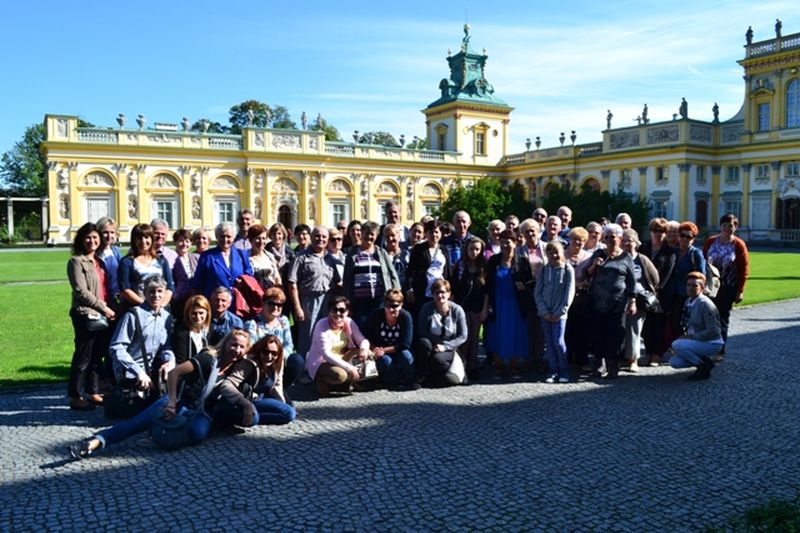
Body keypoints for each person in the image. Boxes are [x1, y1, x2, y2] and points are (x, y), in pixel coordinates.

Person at [68, 330, 244, 459]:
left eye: (241, 347)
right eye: (234, 344)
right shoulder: (209, 358)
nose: (236, 349)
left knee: (198, 434)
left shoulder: (237, 370)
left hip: (199, 411)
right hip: (179, 400)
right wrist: (172, 402)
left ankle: (159, 426)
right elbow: (175, 373)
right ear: (226, 342)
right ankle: (92, 444)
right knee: (134, 425)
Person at [67, 222, 117, 410]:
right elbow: (81, 291)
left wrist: (110, 309)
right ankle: (76, 395)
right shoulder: (76, 262)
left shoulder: (99, 261)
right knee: (83, 356)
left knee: (97, 356)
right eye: (88, 237)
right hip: (86, 314)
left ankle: (93, 391)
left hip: (103, 314)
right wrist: (104, 307)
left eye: (95, 237)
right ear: (81, 239)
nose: (92, 241)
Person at [110, 275, 176, 404]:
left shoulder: (166, 317)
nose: (156, 295)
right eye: (151, 291)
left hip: (152, 371)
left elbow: (165, 346)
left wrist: (170, 361)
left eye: (159, 291)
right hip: (130, 372)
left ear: (164, 293)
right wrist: (138, 372)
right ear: (144, 293)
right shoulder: (133, 315)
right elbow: (116, 347)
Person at [585, 223, 637, 379]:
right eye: (606, 237)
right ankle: (599, 365)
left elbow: (632, 281)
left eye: (612, 237)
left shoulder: (626, 257)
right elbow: (587, 273)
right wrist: (594, 265)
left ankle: (613, 366)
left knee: (615, 336)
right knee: (597, 334)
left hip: (617, 304)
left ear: (620, 238)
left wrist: (632, 301)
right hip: (598, 302)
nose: (609, 240)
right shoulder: (599, 254)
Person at [217, 335, 296, 426]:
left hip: (261, 399)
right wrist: (246, 404)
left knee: (288, 413)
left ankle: (249, 415)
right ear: (259, 351)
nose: (269, 356)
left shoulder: (278, 361)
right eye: (266, 352)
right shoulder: (248, 363)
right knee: (255, 420)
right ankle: (241, 415)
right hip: (244, 400)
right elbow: (226, 385)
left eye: (274, 353)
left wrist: (281, 403)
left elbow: (277, 385)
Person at [288, 225, 340, 356]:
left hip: (328, 300)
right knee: (308, 334)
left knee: (326, 334)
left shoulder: (331, 259)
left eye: (324, 237)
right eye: (317, 236)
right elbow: (292, 283)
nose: (320, 239)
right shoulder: (301, 257)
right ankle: (304, 367)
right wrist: (298, 308)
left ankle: (322, 365)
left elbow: (339, 281)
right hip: (308, 300)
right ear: (311, 237)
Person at [703, 213, 750, 358]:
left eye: (731, 225)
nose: (727, 228)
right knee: (708, 317)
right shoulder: (711, 241)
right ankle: (706, 347)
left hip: (728, 287)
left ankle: (719, 350)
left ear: (735, 227)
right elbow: (702, 262)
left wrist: (740, 291)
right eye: (724, 225)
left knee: (722, 319)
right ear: (720, 226)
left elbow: (744, 269)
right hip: (710, 287)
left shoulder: (738, 244)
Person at [484, 229, 530, 377]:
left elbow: (532, 281)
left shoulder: (522, 261)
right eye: (502, 242)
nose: (505, 245)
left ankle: (514, 365)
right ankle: (498, 365)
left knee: (515, 333)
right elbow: (487, 285)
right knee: (496, 333)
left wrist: (524, 286)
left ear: (515, 243)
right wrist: (486, 306)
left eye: (508, 242)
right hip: (497, 303)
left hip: (516, 305)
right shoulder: (494, 261)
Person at [305, 296, 371, 397]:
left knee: (369, 353)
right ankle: (321, 379)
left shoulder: (349, 322)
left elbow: (363, 340)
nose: (338, 313)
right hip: (321, 362)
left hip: (342, 357)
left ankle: (352, 381)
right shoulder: (321, 325)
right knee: (341, 376)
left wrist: (363, 349)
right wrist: (350, 368)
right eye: (334, 310)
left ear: (347, 312)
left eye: (342, 310)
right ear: (329, 311)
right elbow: (326, 354)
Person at [246, 287, 305, 395]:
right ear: (263, 304)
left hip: (279, 362)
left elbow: (289, 345)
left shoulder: (284, 321)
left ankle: (280, 389)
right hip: (261, 363)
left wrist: (279, 358)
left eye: (279, 305)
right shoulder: (253, 323)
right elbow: (251, 348)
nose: (275, 307)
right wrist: (268, 358)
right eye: (271, 304)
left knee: (297, 360)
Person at [343, 221, 401, 328]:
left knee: (377, 328)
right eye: (367, 233)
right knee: (362, 327)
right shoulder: (352, 254)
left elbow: (392, 274)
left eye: (372, 234)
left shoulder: (381, 253)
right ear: (362, 234)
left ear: (376, 236)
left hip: (379, 299)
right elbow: (347, 279)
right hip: (360, 301)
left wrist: (396, 295)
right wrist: (348, 302)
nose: (369, 237)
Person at [666, 272, 723, 380]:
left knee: (677, 345)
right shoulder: (688, 301)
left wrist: (690, 338)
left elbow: (714, 332)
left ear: (701, 288)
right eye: (688, 285)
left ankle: (702, 366)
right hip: (698, 340)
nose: (690, 288)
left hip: (712, 343)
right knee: (675, 362)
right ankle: (706, 361)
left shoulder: (705, 304)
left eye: (695, 285)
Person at [415, 279, 468, 386]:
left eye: (443, 292)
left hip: (450, 347)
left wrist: (445, 346)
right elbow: (421, 331)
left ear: (449, 294)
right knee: (423, 343)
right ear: (432, 294)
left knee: (437, 360)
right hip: (431, 344)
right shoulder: (427, 308)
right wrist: (436, 343)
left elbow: (463, 336)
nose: (440, 295)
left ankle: (443, 377)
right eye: (437, 292)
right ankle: (423, 375)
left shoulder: (457, 310)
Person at [535, 241, 575, 383]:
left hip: (560, 314)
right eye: (550, 252)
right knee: (549, 342)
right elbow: (538, 291)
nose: (554, 255)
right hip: (545, 313)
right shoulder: (544, 270)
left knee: (558, 341)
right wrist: (544, 310)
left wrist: (560, 311)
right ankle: (552, 370)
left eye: (556, 252)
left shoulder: (568, 269)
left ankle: (564, 369)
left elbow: (569, 293)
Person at [639, 218, 676, 364]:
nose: (658, 234)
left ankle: (657, 354)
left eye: (661, 231)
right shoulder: (643, 248)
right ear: (651, 231)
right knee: (646, 325)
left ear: (665, 234)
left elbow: (667, 274)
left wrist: (657, 290)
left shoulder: (669, 252)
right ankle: (648, 352)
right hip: (644, 293)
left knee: (658, 325)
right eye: (655, 230)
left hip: (661, 294)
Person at [621, 229, 659, 372]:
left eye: (629, 240)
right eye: (624, 240)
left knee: (633, 330)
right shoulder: (618, 258)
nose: (626, 243)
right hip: (619, 300)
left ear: (636, 243)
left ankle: (633, 360)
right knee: (620, 330)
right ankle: (620, 358)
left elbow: (655, 278)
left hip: (638, 301)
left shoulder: (642, 259)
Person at [363, 290, 417, 390]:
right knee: (386, 361)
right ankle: (387, 380)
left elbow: (406, 343)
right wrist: (374, 348)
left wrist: (383, 350)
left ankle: (410, 380)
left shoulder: (406, 317)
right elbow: (365, 333)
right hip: (379, 351)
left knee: (406, 356)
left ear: (401, 305)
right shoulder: (376, 315)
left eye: (395, 306)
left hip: (397, 350)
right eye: (388, 306)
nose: (392, 309)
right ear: (384, 305)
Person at [451, 236, 488, 380]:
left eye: (477, 249)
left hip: (477, 308)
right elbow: (454, 288)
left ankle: (473, 366)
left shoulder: (484, 266)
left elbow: (487, 291)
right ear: (466, 250)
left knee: (474, 340)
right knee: (462, 339)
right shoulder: (460, 266)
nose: (474, 252)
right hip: (462, 309)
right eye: (471, 249)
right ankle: (461, 366)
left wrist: (485, 309)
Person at [118, 223, 175, 310]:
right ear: (134, 240)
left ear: (152, 239)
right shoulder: (126, 262)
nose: (143, 241)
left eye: (146, 237)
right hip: (137, 309)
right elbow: (125, 289)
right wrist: (146, 305)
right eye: (139, 238)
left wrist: (161, 305)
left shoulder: (162, 261)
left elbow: (170, 288)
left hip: (160, 309)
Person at [192, 221, 253, 299]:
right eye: (222, 236)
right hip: (215, 303)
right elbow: (197, 284)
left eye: (228, 236)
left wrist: (243, 282)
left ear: (234, 238)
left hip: (237, 304)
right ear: (217, 237)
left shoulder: (242, 255)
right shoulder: (207, 256)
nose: (225, 239)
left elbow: (249, 276)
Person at [668, 221, 706, 344]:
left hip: (689, 294)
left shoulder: (695, 254)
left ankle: (686, 344)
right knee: (674, 321)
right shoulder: (674, 252)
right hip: (674, 292)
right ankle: (679, 344)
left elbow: (701, 275)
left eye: (689, 236)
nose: (684, 239)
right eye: (682, 235)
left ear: (693, 239)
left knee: (686, 322)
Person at [406, 219, 451, 321]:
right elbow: (410, 270)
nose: (433, 235)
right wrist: (409, 288)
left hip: (439, 290)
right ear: (426, 234)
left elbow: (448, 271)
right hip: (422, 290)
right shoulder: (419, 249)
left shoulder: (444, 249)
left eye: (436, 232)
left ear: (440, 234)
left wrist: (450, 291)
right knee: (423, 318)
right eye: (431, 232)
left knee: (438, 318)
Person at [516, 218, 545, 369]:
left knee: (540, 327)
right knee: (528, 326)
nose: (530, 234)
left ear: (538, 232)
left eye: (532, 231)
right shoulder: (519, 250)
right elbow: (514, 270)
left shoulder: (546, 248)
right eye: (526, 231)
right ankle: (528, 358)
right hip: (526, 292)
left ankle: (539, 358)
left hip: (544, 292)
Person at [564, 227, 592, 369]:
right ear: (569, 240)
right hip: (565, 298)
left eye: (581, 240)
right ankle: (568, 358)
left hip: (582, 299)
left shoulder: (588, 257)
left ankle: (582, 359)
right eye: (575, 239)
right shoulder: (562, 255)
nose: (578, 242)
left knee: (583, 331)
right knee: (568, 330)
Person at [171, 295, 211, 364]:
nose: (198, 317)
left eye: (201, 313)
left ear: (207, 313)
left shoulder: (209, 331)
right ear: (187, 313)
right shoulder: (181, 333)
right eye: (194, 313)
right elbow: (181, 361)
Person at [171, 228, 198, 322]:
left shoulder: (196, 257)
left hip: (193, 297)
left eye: (187, 241)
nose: (184, 244)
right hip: (177, 299)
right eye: (181, 241)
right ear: (175, 242)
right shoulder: (171, 259)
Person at [247, 223, 281, 290]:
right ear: (251, 240)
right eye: (258, 238)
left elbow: (277, 278)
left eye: (263, 238)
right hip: (253, 295)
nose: (261, 241)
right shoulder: (246, 258)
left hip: (270, 295)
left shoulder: (270, 256)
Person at [96, 217, 122, 303]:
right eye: (105, 232)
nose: (109, 236)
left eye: (112, 232)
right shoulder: (94, 252)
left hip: (115, 296)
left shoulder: (116, 251)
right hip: (99, 296)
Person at [383, 223, 409, 290]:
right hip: (388, 292)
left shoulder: (407, 254)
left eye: (393, 235)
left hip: (404, 292)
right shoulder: (382, 256)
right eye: (387, 236)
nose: (390, 239)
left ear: (398, 236)